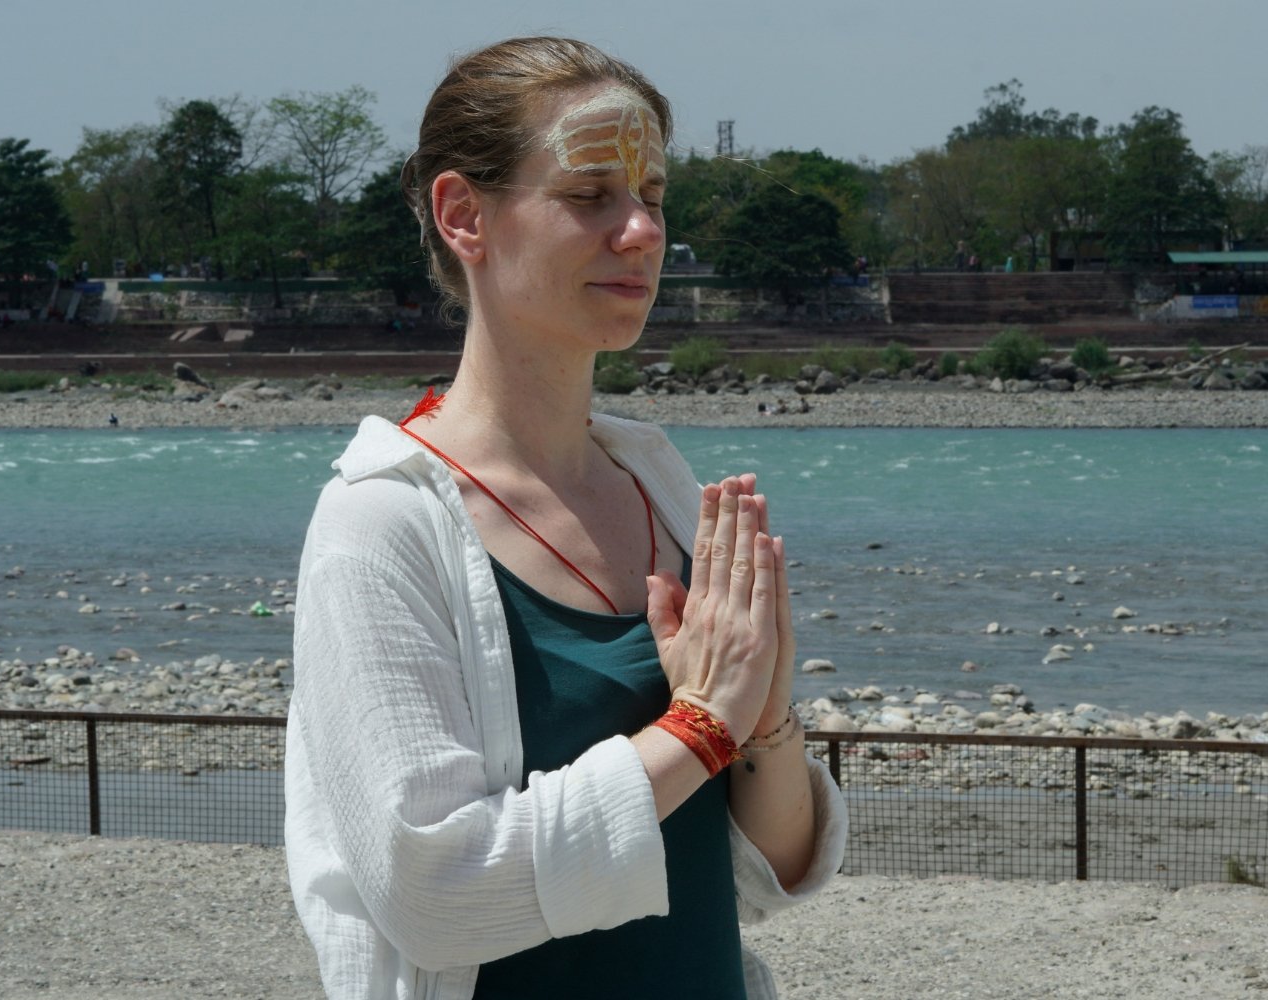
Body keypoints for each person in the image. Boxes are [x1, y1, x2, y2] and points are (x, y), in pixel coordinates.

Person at [284, 36, 846, 1000]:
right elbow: (435, 894)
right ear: (465, 215)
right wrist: (704, 726)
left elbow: (765, 878)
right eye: (591, 197)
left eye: (655, 196)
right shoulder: (379, 524)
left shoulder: (663, 487)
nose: (642, 231)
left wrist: (767, 716)